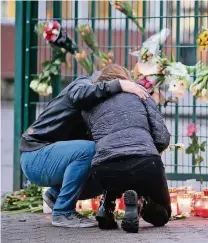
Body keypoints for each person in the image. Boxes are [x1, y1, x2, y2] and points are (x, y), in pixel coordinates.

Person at [20, 71, 149, 228]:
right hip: (35, 155)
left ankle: (55, 195)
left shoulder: (97, 102)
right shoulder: (82, 84)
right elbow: (79, 94)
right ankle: (63, 212)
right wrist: (119, 85)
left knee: (105, 164)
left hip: (49, 158)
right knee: (89, 150)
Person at [82, 64, 171, 233]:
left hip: (105, 167)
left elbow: (90, 139)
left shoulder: (91, 103)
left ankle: (106, 207)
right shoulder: (141, 94)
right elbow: (162, 138)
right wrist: (150, 150)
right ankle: (142, 202)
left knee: (115, 165)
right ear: (126, 79)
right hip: (145, 162)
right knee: (163, 215)